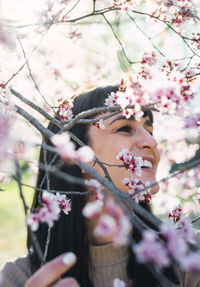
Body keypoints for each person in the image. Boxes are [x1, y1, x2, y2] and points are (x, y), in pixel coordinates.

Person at [0, 85, 200, 287]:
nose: (152, 142)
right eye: (124, 128)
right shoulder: (19, 278)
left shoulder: (189, 255)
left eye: (149, 130)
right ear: (76, 156)